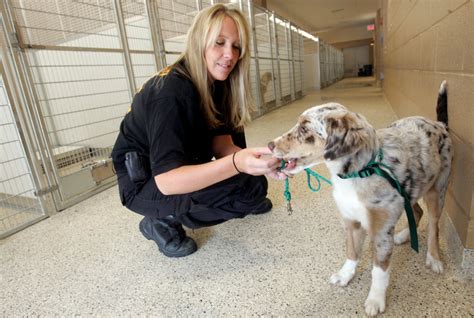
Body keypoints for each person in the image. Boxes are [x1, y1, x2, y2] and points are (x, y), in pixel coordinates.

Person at [111, 4, 285, 258]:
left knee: (253, 185)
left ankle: (180, 208)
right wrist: (238, 163)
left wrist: (258, 162)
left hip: (180, 162)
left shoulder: (217, 82)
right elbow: (168, 181)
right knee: (241, 190)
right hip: (145, 181)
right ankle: (160, 219)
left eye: (236, 46)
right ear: (199, 41)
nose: (230, 55)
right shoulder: (170, 91)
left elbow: (222, 144)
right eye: (220, 43)